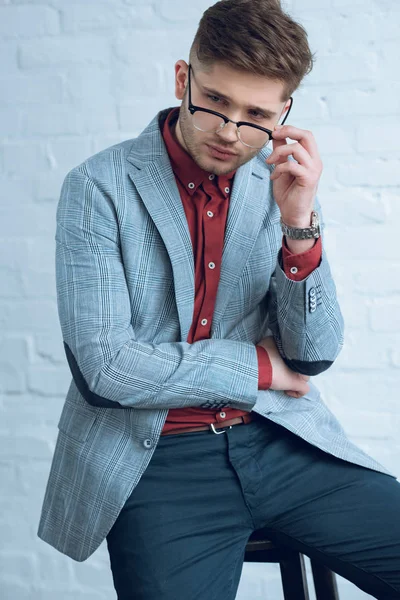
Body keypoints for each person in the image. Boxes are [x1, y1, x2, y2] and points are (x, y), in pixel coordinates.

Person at [37, 0, 400, 598]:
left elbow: (312, 355)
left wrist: (300, 224)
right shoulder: (98, 186)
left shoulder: (278, 184)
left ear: (284, 112)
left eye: (256, 114)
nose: (230, 132)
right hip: (156, 459)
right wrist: (260, 367)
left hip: (278, 439)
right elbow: (106, 367)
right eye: (214, 102)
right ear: (184, 79)